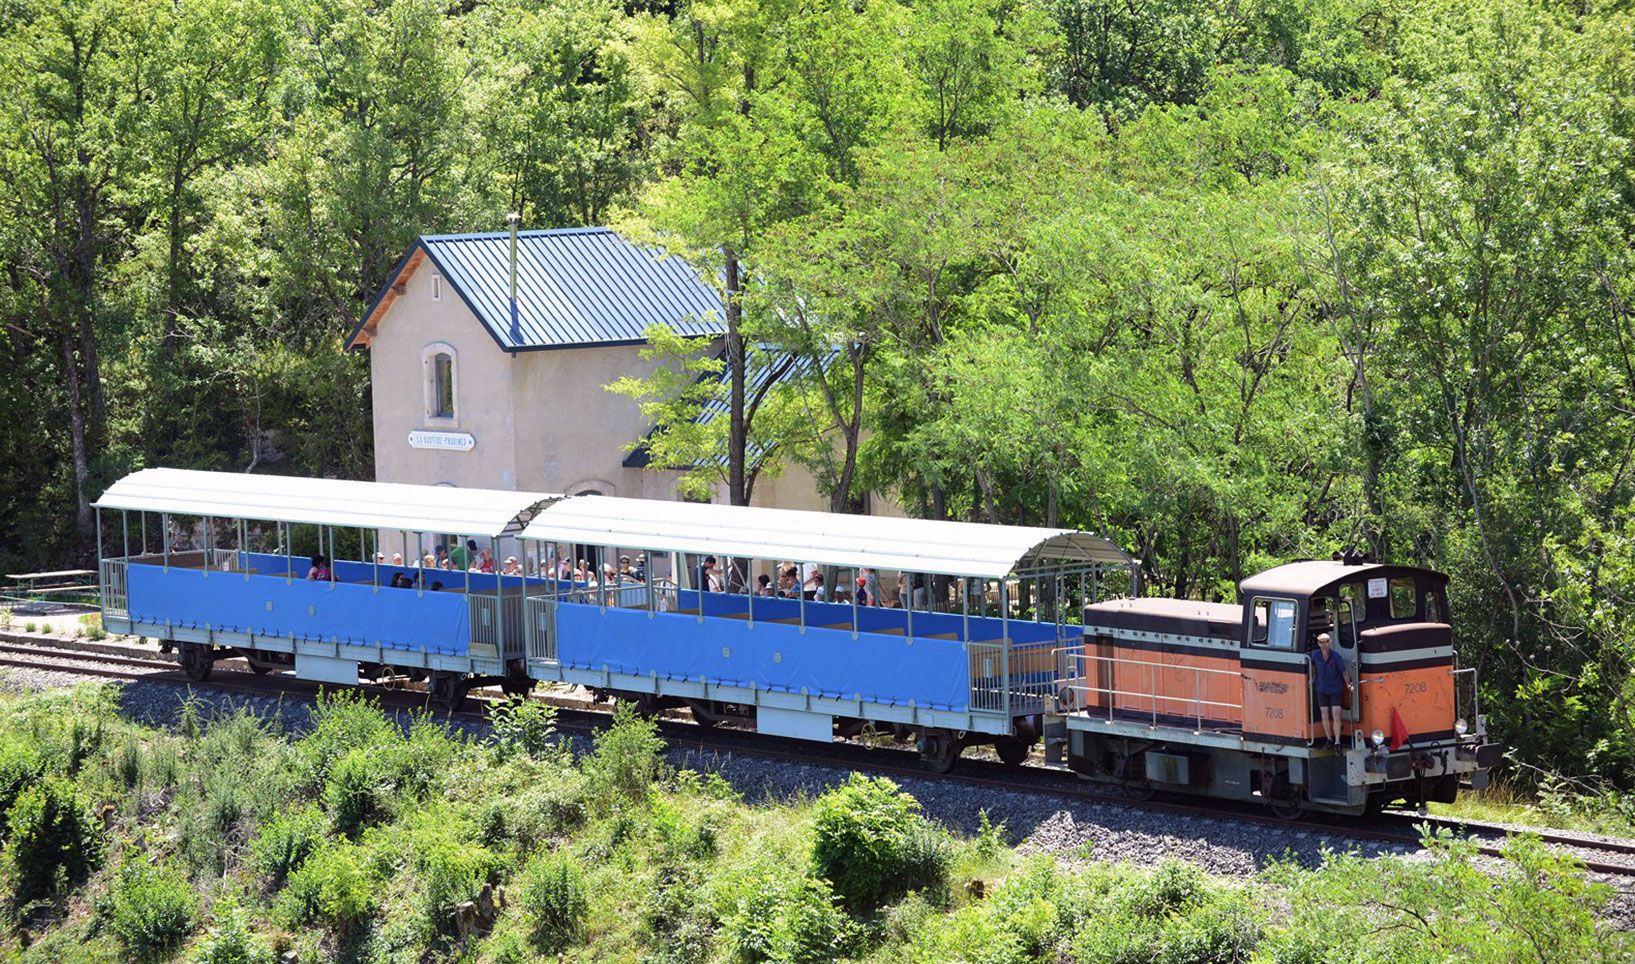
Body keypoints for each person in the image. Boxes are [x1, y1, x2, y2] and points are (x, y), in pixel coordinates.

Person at [1310, 632, 1351, 749]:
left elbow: (1345, 672)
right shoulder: (1315, 655)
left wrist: (1348, 685)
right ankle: (1329, 739)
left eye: (1327, 642)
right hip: (1321, 688)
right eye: (1322, 642)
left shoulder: (1336, 657)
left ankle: (1337, 741)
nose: (1324, 644)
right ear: (1318, 644)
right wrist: (1312, 678)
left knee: (1336, 714)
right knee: (1324, 714)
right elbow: (1313, 666)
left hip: (1335, 689)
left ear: (1330, 642)